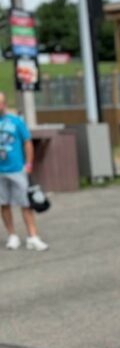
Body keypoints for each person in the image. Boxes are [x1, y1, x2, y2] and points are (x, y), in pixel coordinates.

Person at [0, 92, 48, 252]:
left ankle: (32, 236)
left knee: (25, 203)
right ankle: (12, 235)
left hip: (16, 168)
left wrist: (28, 163)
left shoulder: (15, 122)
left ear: (4, 104)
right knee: (4, 203)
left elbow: (27, 142)